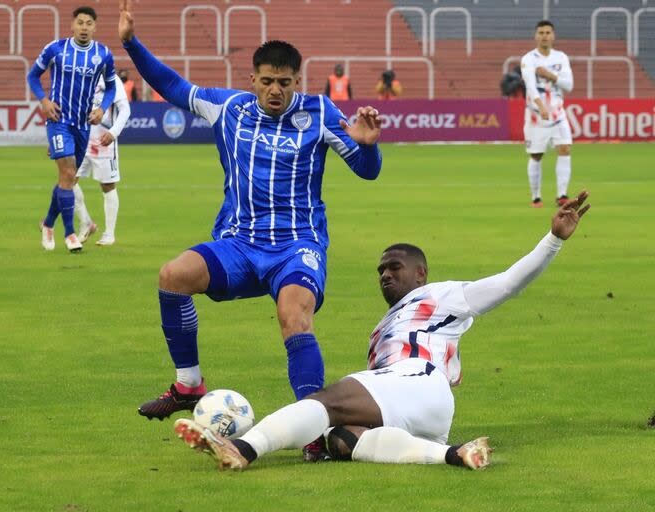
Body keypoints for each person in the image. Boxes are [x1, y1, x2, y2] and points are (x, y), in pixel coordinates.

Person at [118, 0, 383, 460]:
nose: (275, 90)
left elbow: (366, 171)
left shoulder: (320, 112)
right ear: (252, 80)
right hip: (239, 244)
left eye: (284, 82)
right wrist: (130, 43)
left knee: (294, 316)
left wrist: (367, 147)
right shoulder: (229, 108)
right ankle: (188, 385)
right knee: (173, 276)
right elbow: (171, 85)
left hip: (297, 245)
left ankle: (313, 427)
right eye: (267, 81)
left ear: (297, 82)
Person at [173, 192, 591, 471]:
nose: (385, 275)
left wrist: (553, 239)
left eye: (395, 267)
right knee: (341, 438)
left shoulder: (444, 295)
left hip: (420, 379)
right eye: (380, 271)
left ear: (421, 272)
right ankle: (454, 454)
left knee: (328, 400)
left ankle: (242, 450)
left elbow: (508, 282)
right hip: (423, 411)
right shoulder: (382, 330)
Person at [27, 6, 117, 252]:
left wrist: (102, 109)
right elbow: (33, 76)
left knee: (67, 178)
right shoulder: (55, 49)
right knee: (67, 172)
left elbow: (111, 88)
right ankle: (70, 235)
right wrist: (44, 101)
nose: (84, 27)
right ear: (72, 25)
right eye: (80, 23)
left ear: (95, 27)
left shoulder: (104, 54)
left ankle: (47, 223)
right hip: (59, 121)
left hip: (82, 125)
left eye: (89, 23)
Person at [521, 20, 574, 208]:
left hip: (558, 113)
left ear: (553, 35)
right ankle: (536, 196)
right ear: (536, 36)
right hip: (536, 115)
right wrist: (540, 106)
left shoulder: (561, 58)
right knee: (536, 155)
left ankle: (562, 195)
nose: (544, 36)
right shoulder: (528, 59)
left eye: (548, 32)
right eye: (541, 32)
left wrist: (550, 75)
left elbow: (569, 85)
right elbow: (530, 86)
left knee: (565, 148)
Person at [74, 74, 130, 246]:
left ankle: (109, 234)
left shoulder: (111, 79)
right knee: (67, 180)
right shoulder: (79, 75)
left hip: (103, 141)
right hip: (81, 139)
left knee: (107, 186)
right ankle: (86, 223)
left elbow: (125, 109)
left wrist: (113, 133)